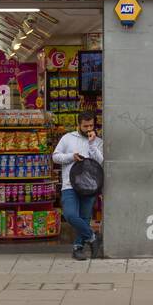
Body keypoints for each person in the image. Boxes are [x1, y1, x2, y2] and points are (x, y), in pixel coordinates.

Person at [52, 110, 103, 261]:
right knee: (70, 214)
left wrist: (92, 144)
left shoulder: (98, 141)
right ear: (78, 125)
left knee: (85, 217)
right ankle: (93, 238)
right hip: (70, 184)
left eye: (91, 125)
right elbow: (55, 157)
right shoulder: (67, 138)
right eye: (85, 126)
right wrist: (71, 157)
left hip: (90, 185)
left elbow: (101, 161)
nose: (88, 129)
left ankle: (78, 248)